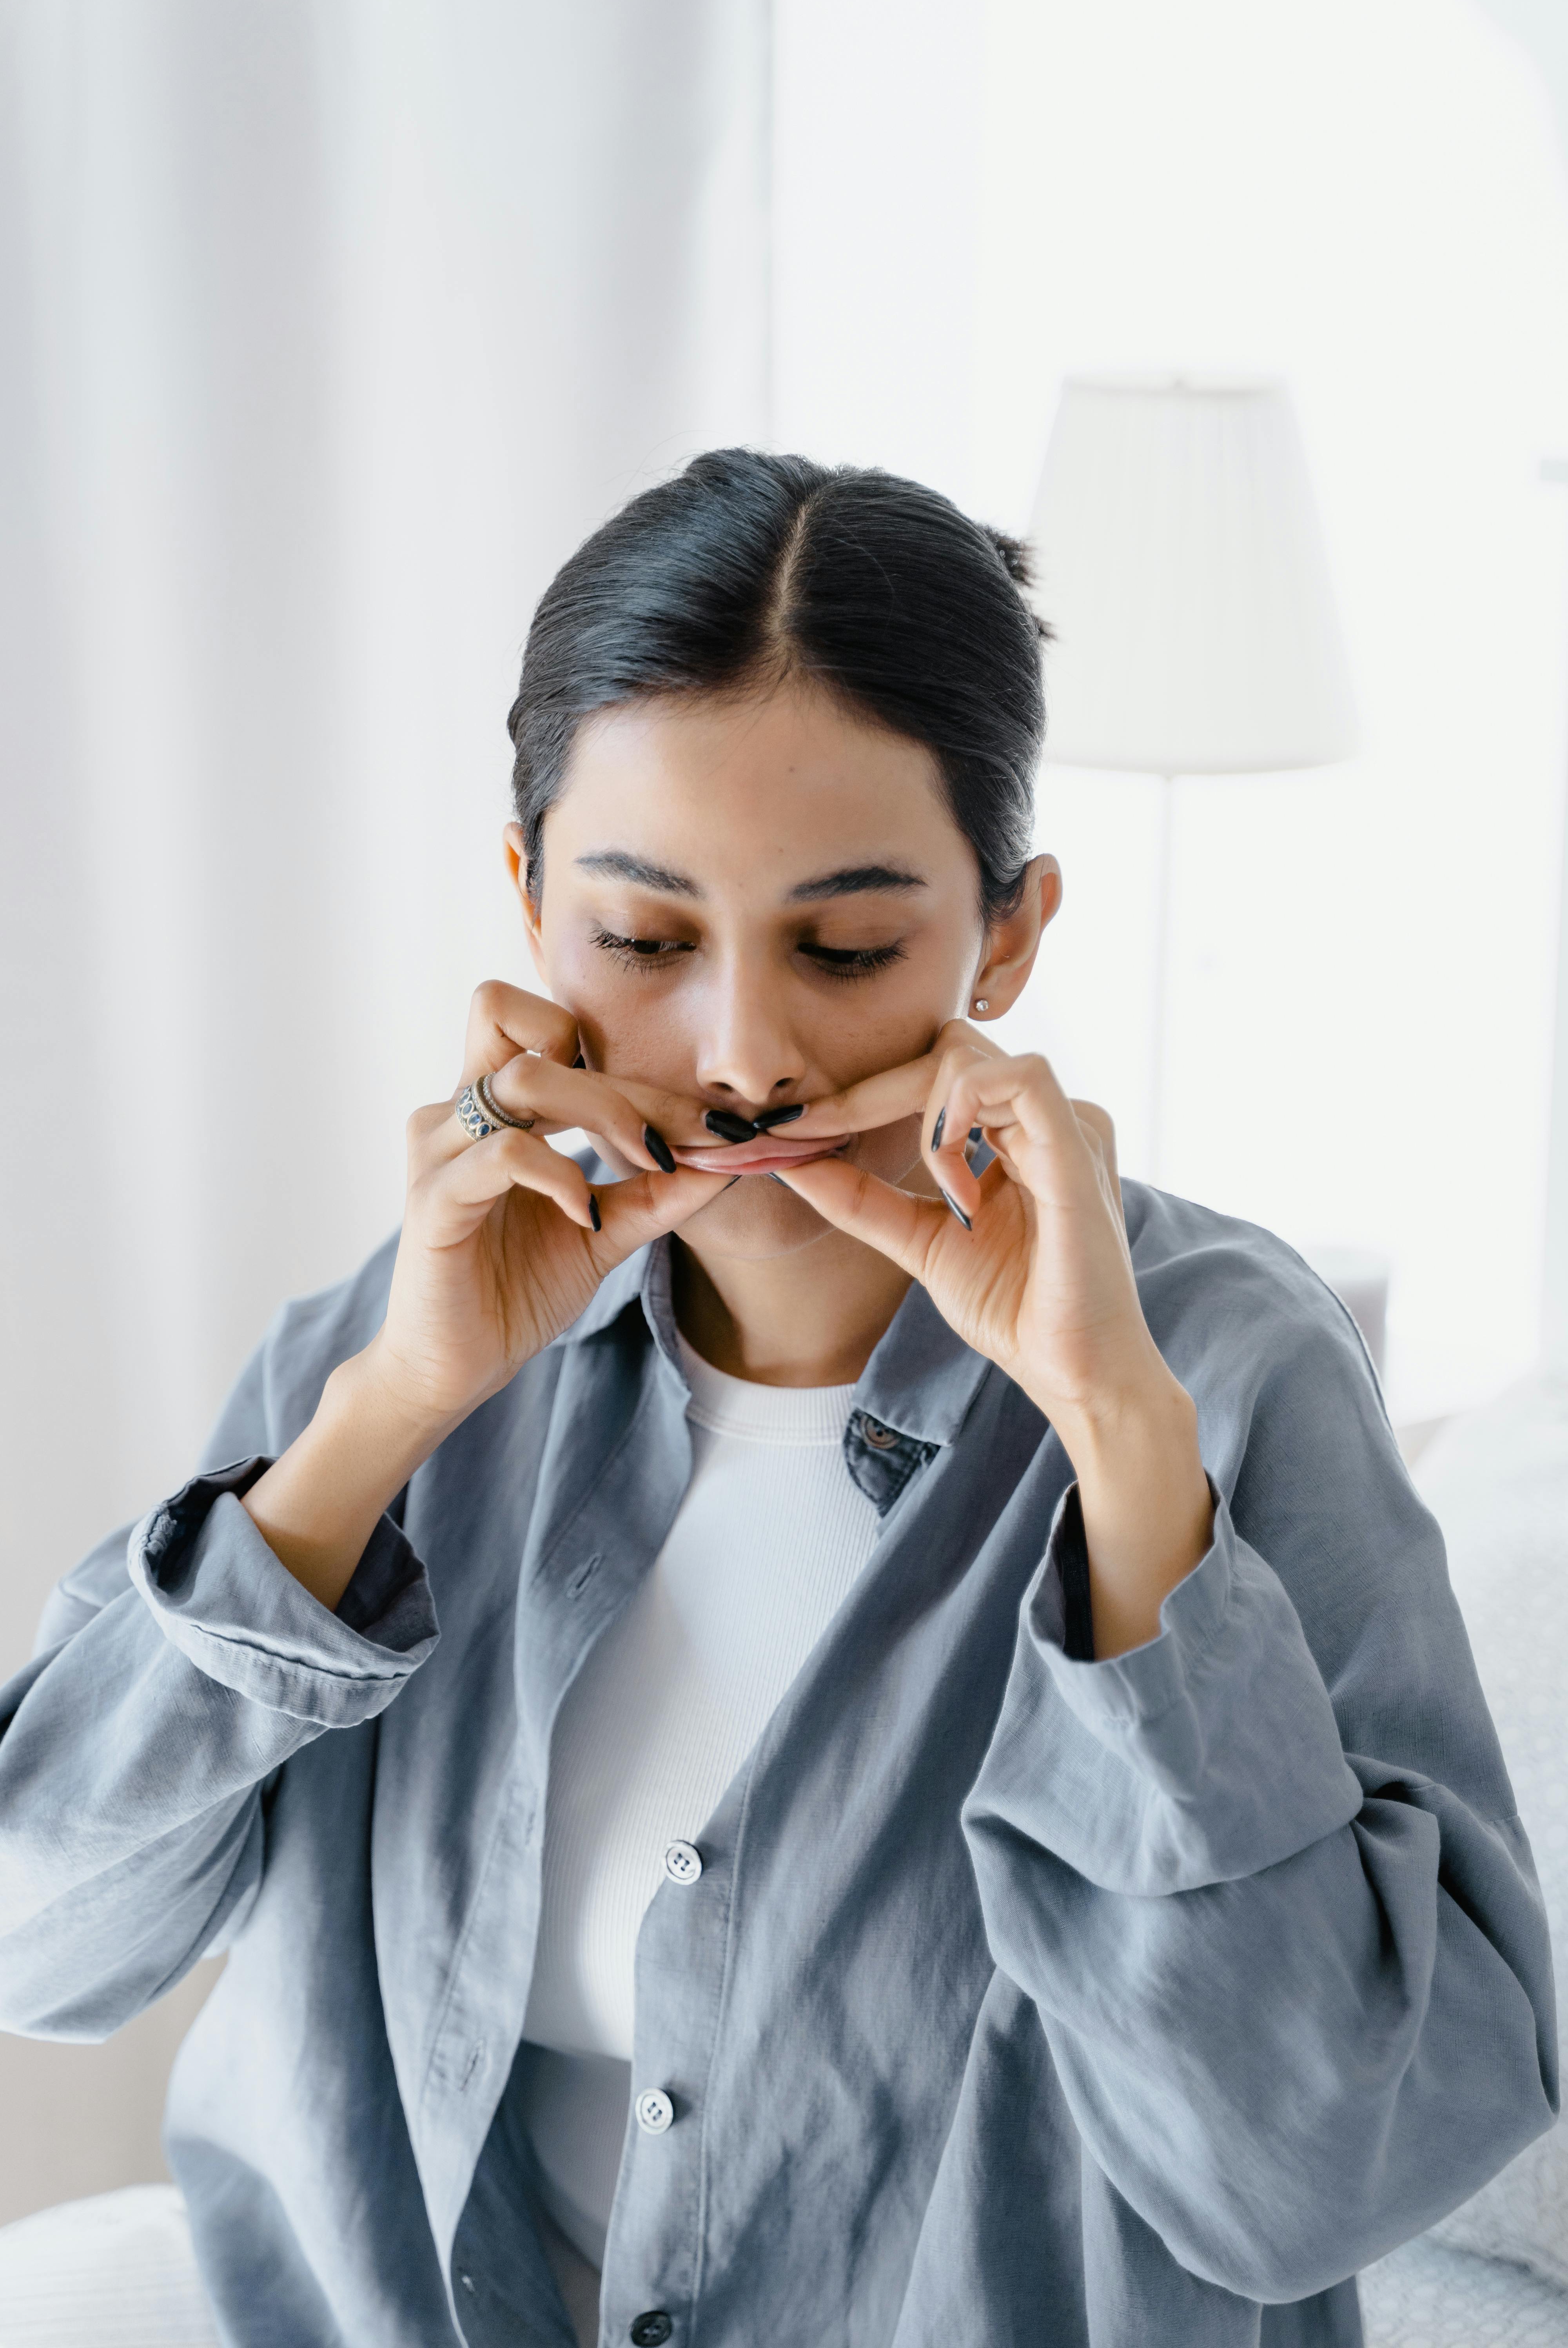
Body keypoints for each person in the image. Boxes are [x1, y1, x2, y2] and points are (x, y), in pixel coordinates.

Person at [0, 451, 1554, 2348]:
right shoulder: (407, 1332)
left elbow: (1320, 2173)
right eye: (645, 940)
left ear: (1008, 932)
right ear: (529, 904)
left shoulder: (1219, 1374)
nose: (740, 1051)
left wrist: (1115, 1446)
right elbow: (41, 1943)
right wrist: (386, 1416)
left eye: (844, 947)